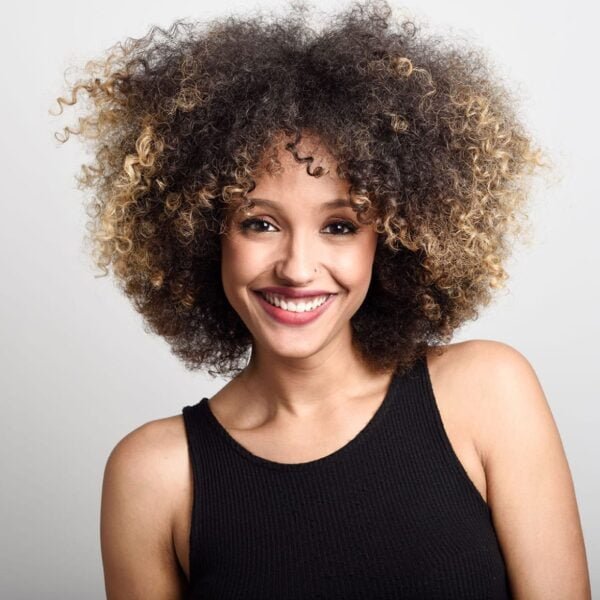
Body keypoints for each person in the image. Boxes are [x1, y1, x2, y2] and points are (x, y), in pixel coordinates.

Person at [53, 1, 591, 597]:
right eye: (259, 223)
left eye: (339, 226)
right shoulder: (155, 475)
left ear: (392, 239)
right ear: (204, 234)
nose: (298, 268)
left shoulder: (487, 393)